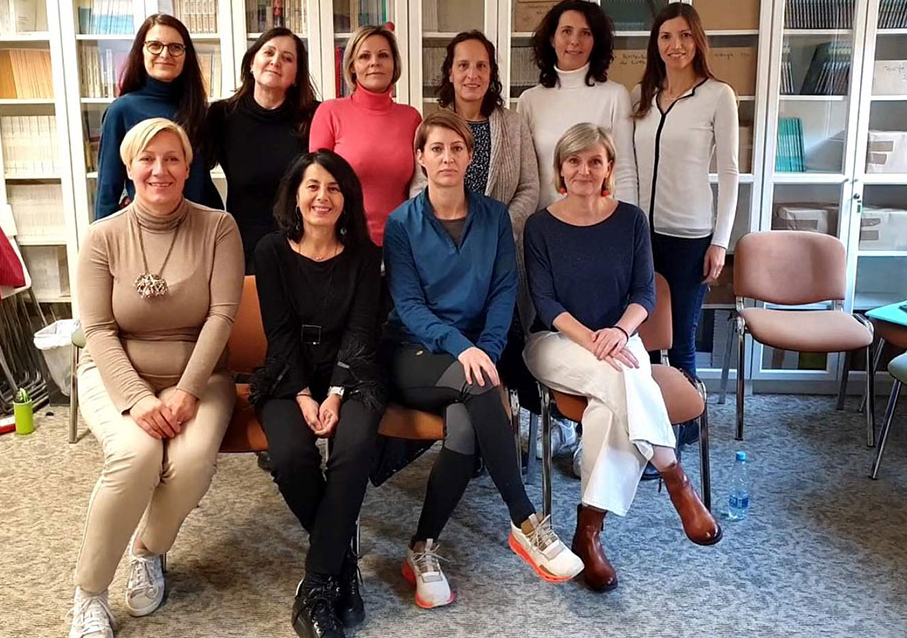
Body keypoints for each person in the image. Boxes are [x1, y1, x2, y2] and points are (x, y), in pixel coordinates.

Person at [383, 109, 583, 609]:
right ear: (420, 158)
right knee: (479, 386)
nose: (447, 157)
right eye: (436, 149)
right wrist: (465, 350)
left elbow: (502, 293)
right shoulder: (401, 223)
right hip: (416, 353)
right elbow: (408, 306)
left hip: (476, 357)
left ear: (470, 157)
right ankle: (526, 521)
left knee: (465, 429)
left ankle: (421, 548)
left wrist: (487, 352)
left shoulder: (494, 217)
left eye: (456, 148)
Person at [523, 123, 722, 593]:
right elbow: (545, 302)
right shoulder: (540, 225)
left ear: (609, 167)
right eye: (574, 161)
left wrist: (617, 331)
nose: (584, 170)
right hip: (555, 341)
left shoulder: (631, 220)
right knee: (622, 376)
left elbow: (644, 292)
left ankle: (588, 535)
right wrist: (591, 338)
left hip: (620, 336)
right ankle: (674, 475)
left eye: (595, 161)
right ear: (560, 169)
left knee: (607, 410)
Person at [68, 118, 244, 638]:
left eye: (172, 158)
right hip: (116, 371)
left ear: (188, 168)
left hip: (200, 376)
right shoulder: (102, 236)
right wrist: (137, 398)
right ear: (129, 167)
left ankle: (148, 550)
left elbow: (222, 316)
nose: (159, 169)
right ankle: (89, 593)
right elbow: (97, 329)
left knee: (191, 461)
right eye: (147, 159)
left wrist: (188, 390)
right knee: (136, 455)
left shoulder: (219, 227)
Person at [250, 150, 383, 638]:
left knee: (353, 449)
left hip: (353, 374)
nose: (322, 196)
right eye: (313, 186)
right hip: (289, 375)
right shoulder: (271, 251)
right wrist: (306, 395)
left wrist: (337, 393)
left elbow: (362, 330)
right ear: (296, 195)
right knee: (289, 456)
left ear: (347, 199)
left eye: (333, 188)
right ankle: (342, 564)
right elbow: (279, 332)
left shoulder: (365, 255)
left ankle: (316, 586)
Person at [409, 30, 540, 408]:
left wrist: (493, 234)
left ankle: (500, 416)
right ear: (449, 72)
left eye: (482, 66)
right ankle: (469, 418)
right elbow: (419, 188)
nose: (472, 74)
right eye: (463, 65)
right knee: (455, 353)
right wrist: (455, 239)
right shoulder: (433, 125)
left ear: (492, 73)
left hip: (500, 258)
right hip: (445, 264)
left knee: (502, 347)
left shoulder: (513, 124)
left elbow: (529, 188)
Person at [632, 2, 739, 401]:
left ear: (697, 41)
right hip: (642, 235)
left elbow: (729, 172)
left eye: (684, 35)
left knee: (680, 341)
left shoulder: (717, 95)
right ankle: (649, 420)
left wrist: (720, 242)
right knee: (642, 337)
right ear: (655, 44)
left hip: (690, 237)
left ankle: (688, 422)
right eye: (665, 36)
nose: (675, 45)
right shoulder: (641, 96)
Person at [208, 27, 319, 270]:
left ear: (296, 75)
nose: (275, 61)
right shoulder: (221, 116)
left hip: (305, 248)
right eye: (268, 52)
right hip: (242, 247)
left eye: (287, 58)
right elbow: (193, 174)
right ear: (251, 62)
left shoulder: (315, 117)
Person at [95, 14, 222, 219]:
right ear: (141, 51)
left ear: (186, 55)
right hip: (151, 227)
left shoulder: (198, 109)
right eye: (155, 45)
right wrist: (104, 234)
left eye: (175, 47)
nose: (165, 54)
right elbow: (108, 188)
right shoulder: (121, 111)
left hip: (202, 225)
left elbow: (202, 179)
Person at [519, 0, 638, 210]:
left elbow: (624, 169)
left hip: (600, 219)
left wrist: (627, 221)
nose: (575, 41)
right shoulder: (530, 100)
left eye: (585, 33)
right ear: (552, 38)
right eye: (566, 31)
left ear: (596, 41)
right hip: (545, 220)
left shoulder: (615, 95)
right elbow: (525, 179)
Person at [310, 25, 421, 245]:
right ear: (352, 66)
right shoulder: (329, 112)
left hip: (400, 243)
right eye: (364, 56)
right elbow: (316, 185)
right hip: (343, 244)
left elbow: (421, 187)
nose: (374, 62)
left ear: (394, 64)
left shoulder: (412, 118)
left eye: (383, 55)